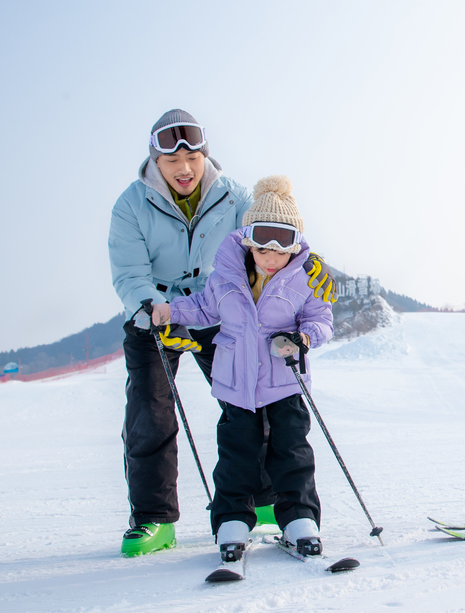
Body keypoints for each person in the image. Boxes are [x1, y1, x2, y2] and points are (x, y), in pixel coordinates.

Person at [109, 110, 336, 557]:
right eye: (172, 161)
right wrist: (156, 310)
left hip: (225, 315)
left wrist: (311, 266)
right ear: (155, 160)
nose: (184, 169)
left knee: (259, 400)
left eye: (193, 157)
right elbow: (129, 271)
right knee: (149, 412)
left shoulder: (233, 196)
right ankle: (154, 518)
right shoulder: (131, 205)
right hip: (158, 315)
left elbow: (268, 241)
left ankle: (267, 502)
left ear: (205, 156)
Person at [151, 175, 332, 559]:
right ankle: (232, 520)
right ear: (248, 240)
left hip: (285, 381)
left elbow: (321, 319)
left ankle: (299, 519)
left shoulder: (304, 279)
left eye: (282, 248)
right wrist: (170, 311)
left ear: (296, 245)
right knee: (236, 455)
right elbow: (201, 308)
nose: (271, 257)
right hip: (236, 384)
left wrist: (306, 338)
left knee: (292, 451)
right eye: (263, 247)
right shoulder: (226, 278)